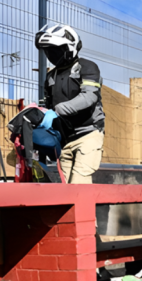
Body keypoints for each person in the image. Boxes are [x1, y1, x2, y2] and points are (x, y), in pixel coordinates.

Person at [35, 23, 105, 184]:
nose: (51, 55)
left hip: (89, 134)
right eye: (48, 51)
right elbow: (47, 105)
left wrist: (57, 110)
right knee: (64, 188)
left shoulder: (87, 67)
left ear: (69, 47)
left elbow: (89, 96)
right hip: (64, 139)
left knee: (79, 185)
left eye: (55, 50)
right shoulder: (51, 76)